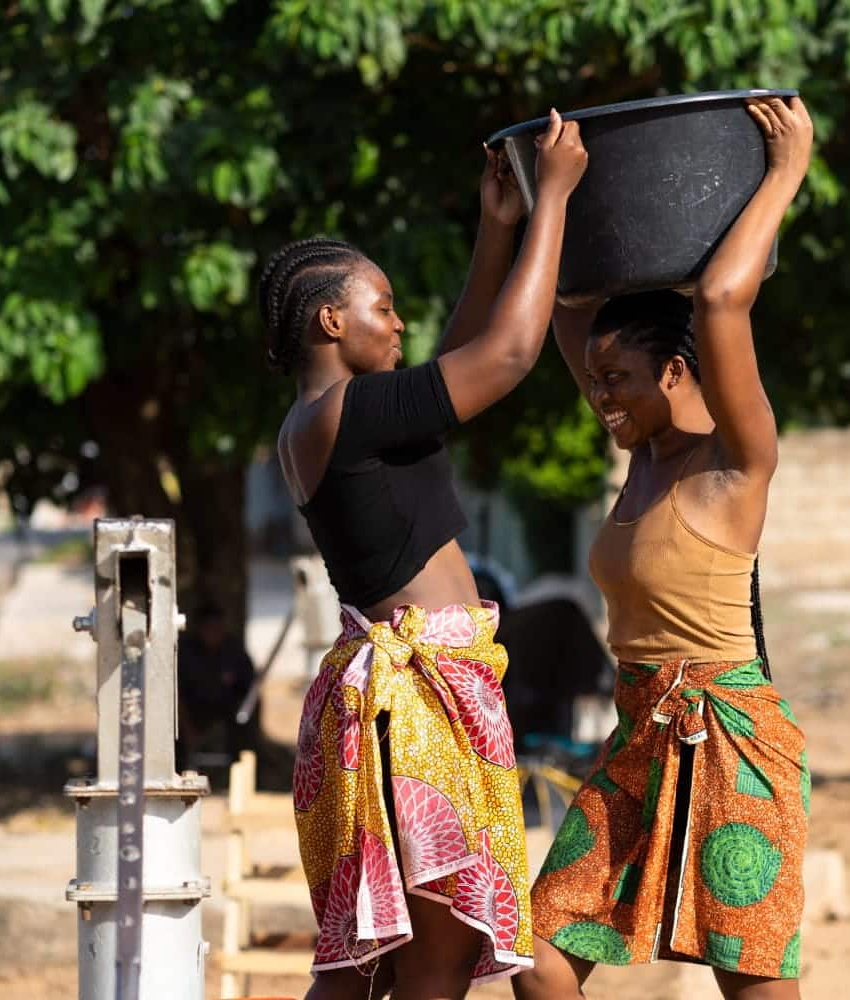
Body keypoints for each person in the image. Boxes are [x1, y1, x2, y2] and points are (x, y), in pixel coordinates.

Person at [258, 112, 587, 999]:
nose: (399, 322)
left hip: (404, 702)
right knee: (431, 967)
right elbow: (506, 356)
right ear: (332, 319)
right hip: (415, 711)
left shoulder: (327, 421)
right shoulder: (349, 416)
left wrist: (497, 230)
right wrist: (555, 198)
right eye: (383, 307)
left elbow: (454, 366)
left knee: (368, 968)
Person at [516, 96, 816, 1000]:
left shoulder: (735, 462)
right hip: (638, 734)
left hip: (730, 740)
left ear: (677, 372)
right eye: (594, 382)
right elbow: (564, 309)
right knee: (539, 959)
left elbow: (721, 298)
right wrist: (546, 196)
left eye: (617, 381)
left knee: (750, 988)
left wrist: (784, 173)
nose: (600, 398)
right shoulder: (640, 460)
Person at [175, 601, 259, 766]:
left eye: (217, 628)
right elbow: (177, 695)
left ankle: (241, 761)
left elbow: (250, 687)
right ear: (199, 629)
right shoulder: (186, 654)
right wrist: (187, 729)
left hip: (228, 711)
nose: (213, 634)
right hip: (192, 711)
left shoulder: (234, 651)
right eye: (209, 628)